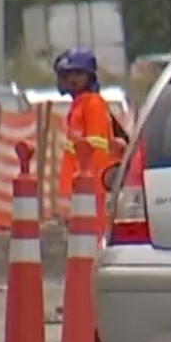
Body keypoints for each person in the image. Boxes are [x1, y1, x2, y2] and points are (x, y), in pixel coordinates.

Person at [53, 49, 124, 228]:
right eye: (68, 74)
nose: (72, 79)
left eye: (78, 73)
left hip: (90, 188)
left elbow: (97, 148)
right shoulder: (79, 105)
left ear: (90, 76)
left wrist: (90, 185)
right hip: (78, 186)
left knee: (92, 237)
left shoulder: (93, 104)